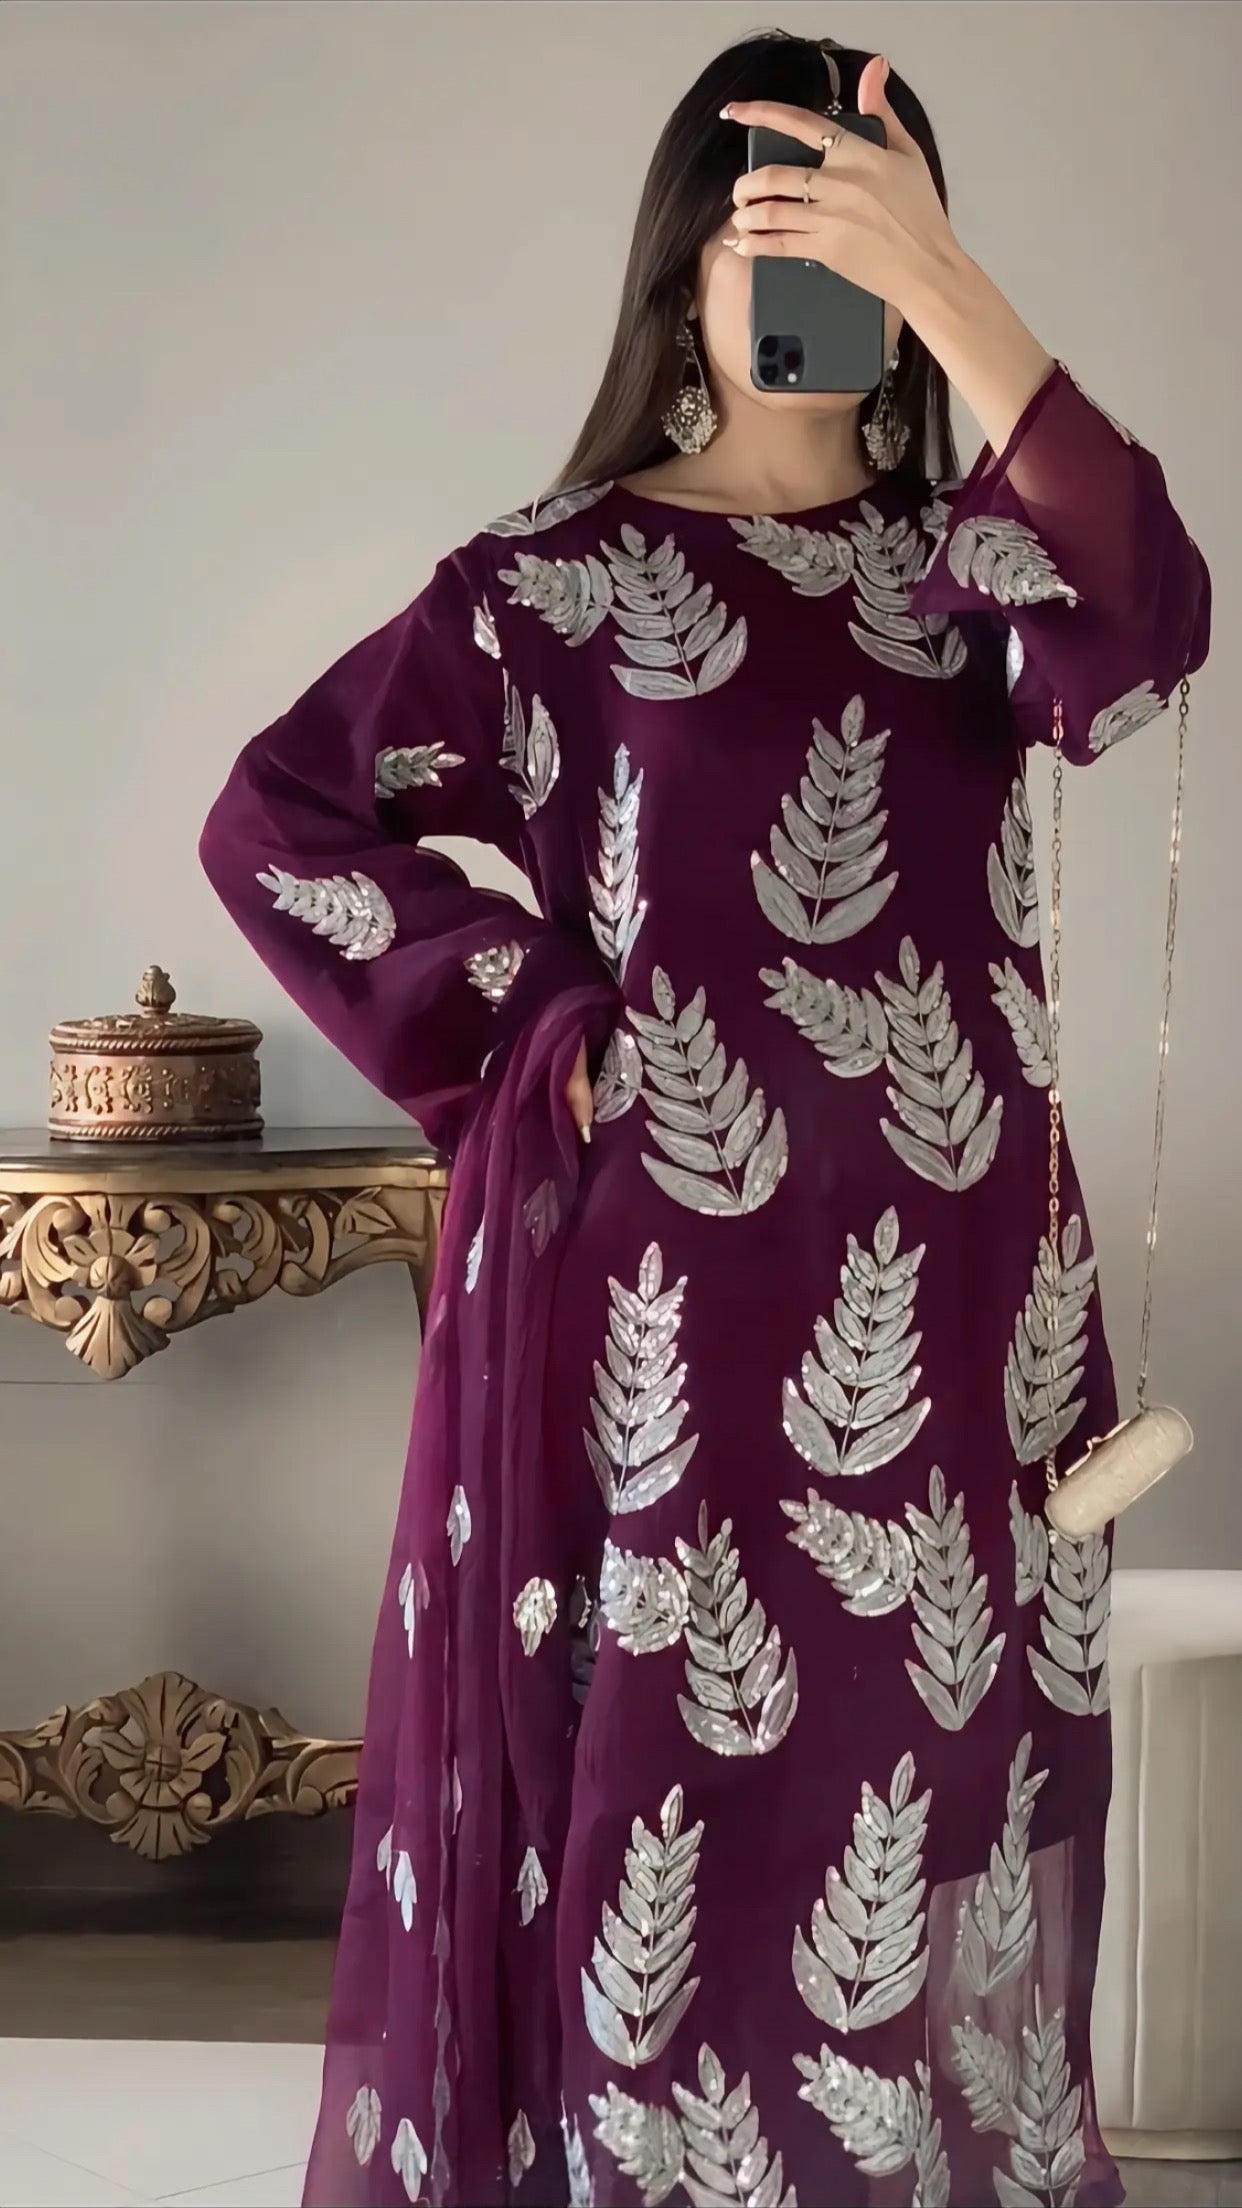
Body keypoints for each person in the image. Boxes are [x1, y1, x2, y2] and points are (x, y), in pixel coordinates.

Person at [199, 30, 1211, 2208]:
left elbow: (1151, 628)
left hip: (961, 1301)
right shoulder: (549, 589)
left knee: (942, 1773)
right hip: (666, 1303)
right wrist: (536, 1011)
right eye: (783, 225)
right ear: (683, 270)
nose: (827, 267)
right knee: (672, 1783)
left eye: (873, 231)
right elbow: (278, 823)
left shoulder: (983, 580)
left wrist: (949, 286)